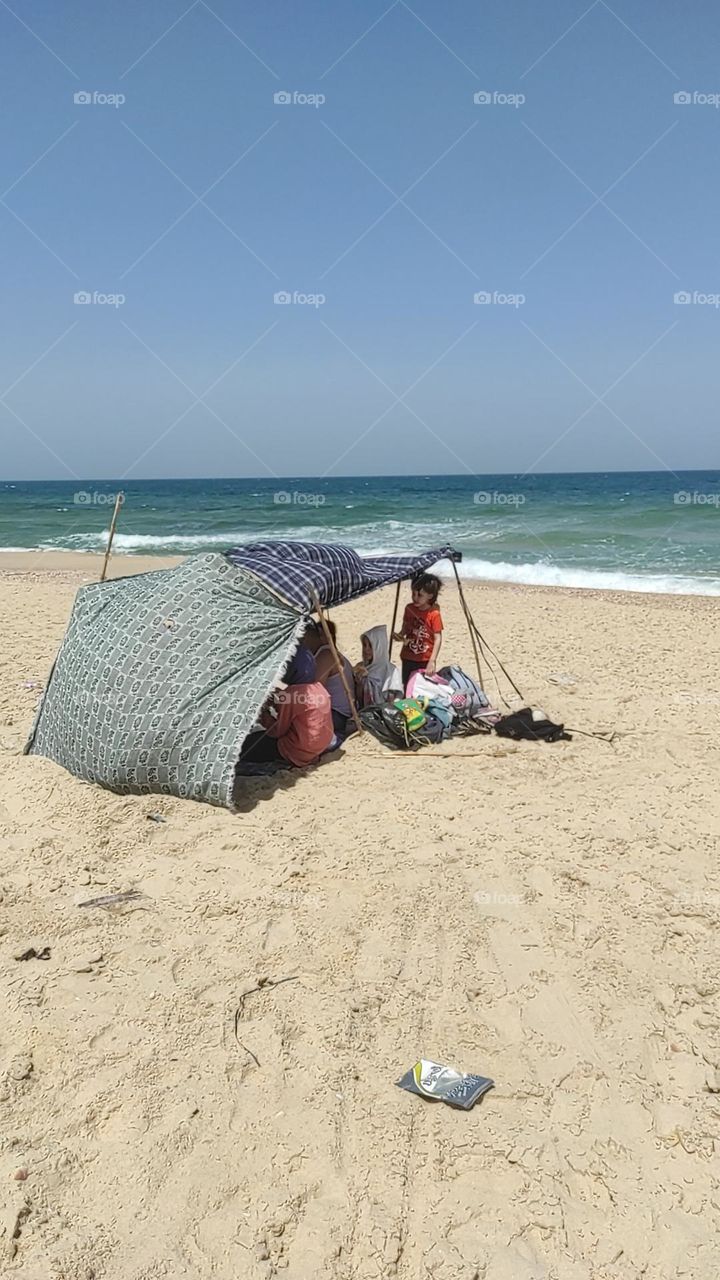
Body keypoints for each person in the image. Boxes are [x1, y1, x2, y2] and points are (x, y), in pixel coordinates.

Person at [239, 647, 333, 766]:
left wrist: (263, 715)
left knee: (246, 745)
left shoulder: (292, 694)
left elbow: (277, 731)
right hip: (319, 747)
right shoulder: (319, 688)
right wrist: (278, 700)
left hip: (299, 750)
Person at [303, 619, 356, 740]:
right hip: (341, 712)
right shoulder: (329, 653)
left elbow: (314, 691)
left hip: (338, 714)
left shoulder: (326, 655)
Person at [393, 572, 443, 689]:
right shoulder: (409, 609)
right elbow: (406, 627)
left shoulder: (434, 614)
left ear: (430, 596)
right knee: (407, 686)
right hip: (408, 655)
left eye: (419, 595)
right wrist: (400, 635)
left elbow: (438, 638)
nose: (415, 598)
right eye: (413, 594)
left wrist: (432, 661)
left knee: (421, 688)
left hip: (424, 658)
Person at [354, 624, 403, 707]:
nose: (366, 649)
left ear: (379, 647)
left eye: (370, 646)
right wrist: (359, 683)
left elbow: (393, 702)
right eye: (364, 645)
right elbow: (359, 700)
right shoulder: (361, 668)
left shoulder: (390, 671)